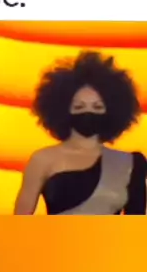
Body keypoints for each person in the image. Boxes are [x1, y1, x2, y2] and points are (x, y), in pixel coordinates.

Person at [14, 51, 147, 215]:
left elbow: (137, 223)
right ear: (63, 109)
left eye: (97, 107)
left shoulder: (130, 164)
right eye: (79, 107)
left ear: (112, 111)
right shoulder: (42, 160)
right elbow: (20, 221)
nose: (88, 112)